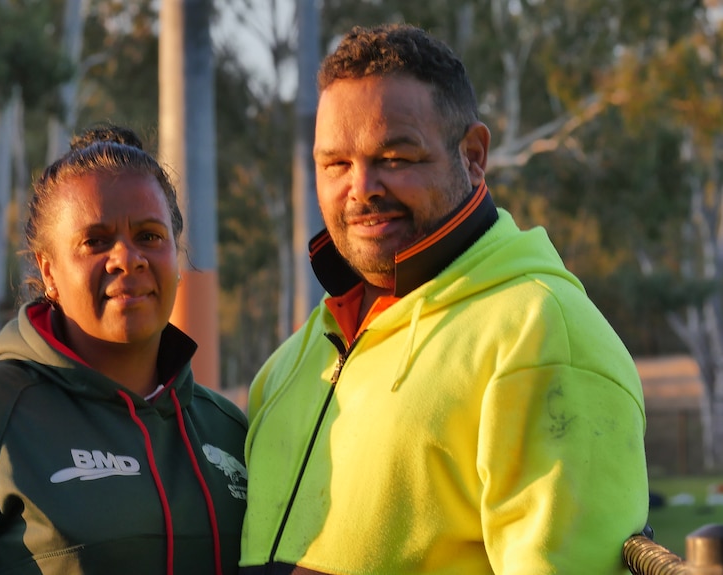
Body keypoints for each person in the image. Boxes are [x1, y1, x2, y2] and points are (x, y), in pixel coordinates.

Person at [240, 23, 648, 575]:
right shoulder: (286, 367)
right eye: (335, 163)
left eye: (396, 157)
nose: (361, 188)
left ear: (474, 155)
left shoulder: (543, 334)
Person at [0, 124, 248, 575]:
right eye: (95, 241)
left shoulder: (225, 430)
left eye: (149, 236)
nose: (127, 258)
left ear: (175, 258)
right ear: (48, 272)